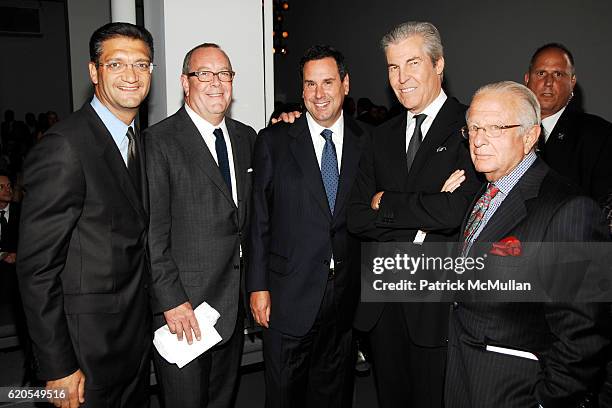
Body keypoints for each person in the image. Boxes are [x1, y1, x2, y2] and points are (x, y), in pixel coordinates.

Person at [445, 80, 610, 408]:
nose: (478, 139)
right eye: (473, 127)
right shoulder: (487, 189)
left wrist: (543, 402)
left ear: (531, 136)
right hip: (465, 380)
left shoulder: (569, 209)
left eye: (494, 128)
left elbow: (583, 338)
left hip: (516, 393)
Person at [17, 22, 154, 408]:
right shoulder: (65, 146)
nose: (131, 76)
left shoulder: (134, 141)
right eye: (116, 64)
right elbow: (37, 269)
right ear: (94, 72)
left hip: (131, 345)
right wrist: (57, 365)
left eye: (142, 65)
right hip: (83, 353)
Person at [346, 21, 482, 407]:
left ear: (438, 65)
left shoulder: (469, 125)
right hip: (383, 302)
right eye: (392, 67)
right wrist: (427, 207)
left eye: (412, 63)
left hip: (437, 305)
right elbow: (356, 216)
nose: (401, 78)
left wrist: (385, 201)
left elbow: (456, 212)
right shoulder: (379, 135)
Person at [248, 45, 369, 407]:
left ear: (345, 84)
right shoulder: (273, 142)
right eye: (310, 84)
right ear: (301, 90)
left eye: (328, 82)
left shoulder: (369, 142)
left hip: (345, 297)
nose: (319, 93)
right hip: (287, 295)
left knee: (333, 394)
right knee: (284, 396)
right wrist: (257, 287)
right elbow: (259, 220)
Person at [145, 43, 256, 408]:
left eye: (224, 74)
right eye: (204, 74)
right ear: (184, 82)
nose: (216, 82)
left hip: (231, 307)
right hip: (183, 312)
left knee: (222, 401)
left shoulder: (246, 138)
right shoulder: (158, 142)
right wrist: (172, 301)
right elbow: (153, 235)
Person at [524, 43, 612, 205]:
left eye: (558, 74)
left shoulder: (599, 135)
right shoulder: (508, 130)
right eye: (541, 73)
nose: (548, 82)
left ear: (572, 82)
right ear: (527, 79)